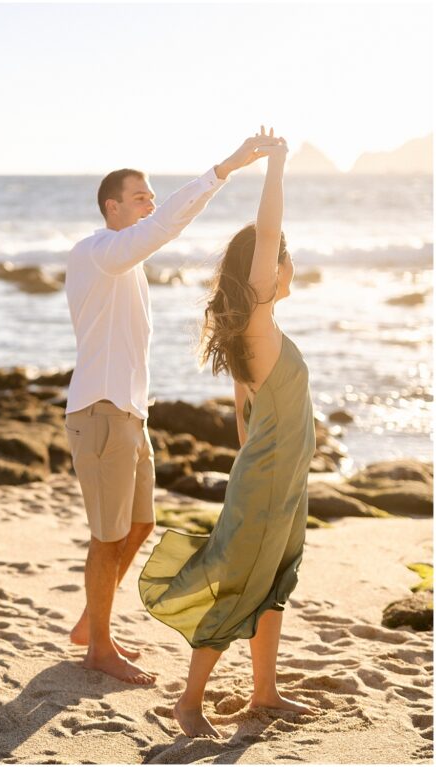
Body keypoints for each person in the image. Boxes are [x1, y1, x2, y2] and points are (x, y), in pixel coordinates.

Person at [64, 132, 280, 685]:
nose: (151, 204)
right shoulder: (98, 252)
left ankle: (92, 620)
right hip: (101, 412)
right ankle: (99, 648)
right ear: (112, 207)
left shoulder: (124, 264)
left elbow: (157, 229)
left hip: (129, 414)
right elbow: (165, 227)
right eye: (140, 197)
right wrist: (224, 169)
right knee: (108, 537)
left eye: (152, 196)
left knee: (141, 525)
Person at [139, 128, 314, 737]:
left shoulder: (255, 331)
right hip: (269, 482)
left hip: (280, 480)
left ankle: (264, 692)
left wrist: (262, 473)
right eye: (286, 257)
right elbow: (267, 230)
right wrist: (275, 166)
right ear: (271, 267)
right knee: (241, 586)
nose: (291, 265)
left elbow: (245, 416)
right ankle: (189, 703)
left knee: (273, 582)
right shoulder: (258, 322)